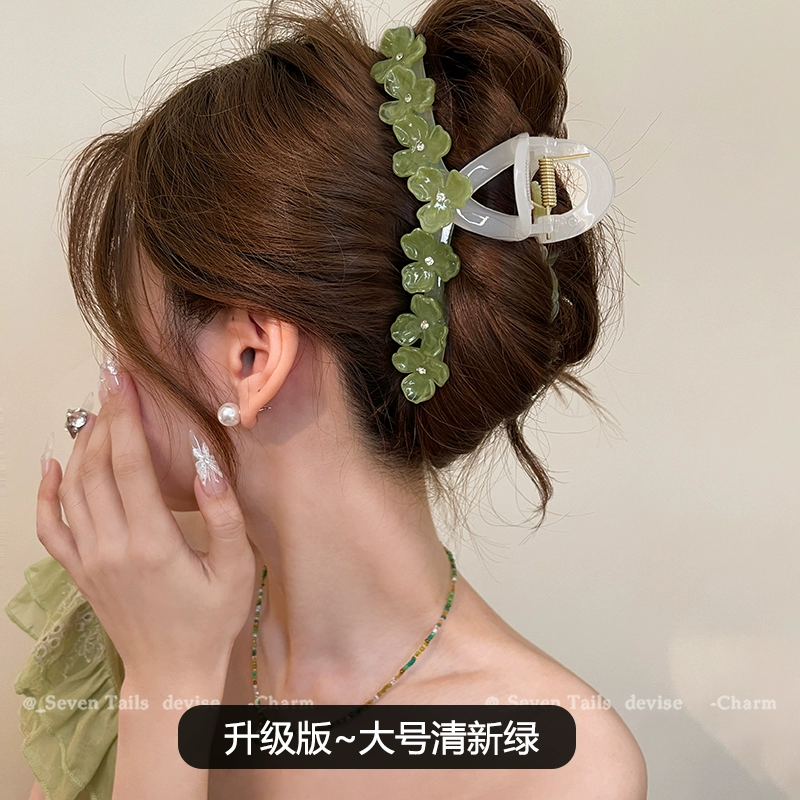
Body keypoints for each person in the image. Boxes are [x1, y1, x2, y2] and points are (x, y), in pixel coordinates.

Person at [6, 0, 646, 797]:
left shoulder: (559, 767)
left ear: (251, 358)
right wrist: (162, 669)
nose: (110, 378)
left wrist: (169, 684)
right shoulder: (144, 598)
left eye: (126, 331)